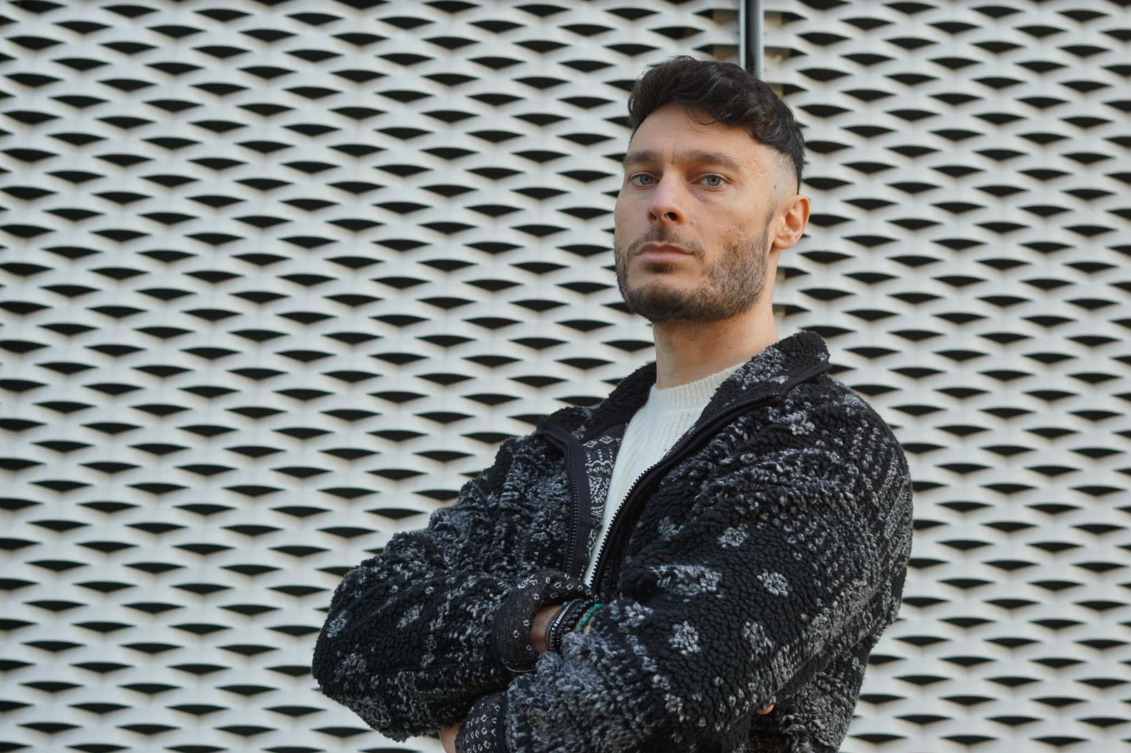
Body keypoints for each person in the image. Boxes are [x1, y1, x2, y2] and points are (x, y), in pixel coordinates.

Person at [311, 55, 913, 753]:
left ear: (787, 222)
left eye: (710, 179)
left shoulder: (824, 446)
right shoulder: (550, 458)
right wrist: (557, 623)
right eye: (642, 176)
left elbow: (666, 691)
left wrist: (468, 736)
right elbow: (353, 637)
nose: (663, 202)